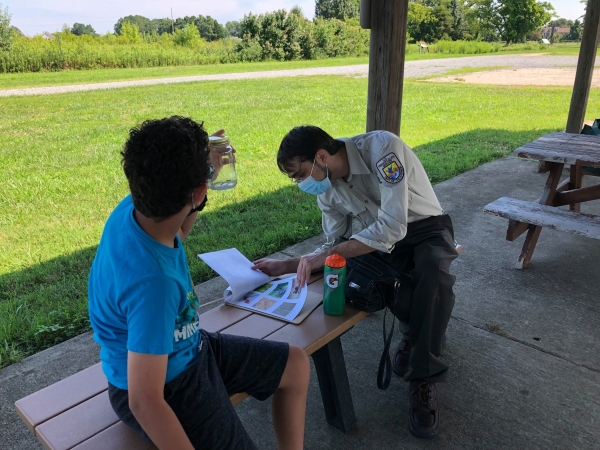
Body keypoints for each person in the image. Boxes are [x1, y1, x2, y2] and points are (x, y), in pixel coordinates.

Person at [88, 116, 310, 450]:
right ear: (200, 192)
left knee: (295, 364)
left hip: (188, 346)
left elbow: (179, 229)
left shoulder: (138, 206)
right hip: (167, 384)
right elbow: (144, 401)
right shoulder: (154, 284)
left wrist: (204, 178)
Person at [253, 126, 458, 439]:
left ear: (321, 156)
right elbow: (335, 242)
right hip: (372, 241)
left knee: (432, 277)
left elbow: (392, 226)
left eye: (300, 174)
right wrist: (289, 265)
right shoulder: (326, 187)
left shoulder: (381, 149)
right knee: (357, 285)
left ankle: (422, 378)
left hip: (425, 229)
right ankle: (416, 336)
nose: (300, 183)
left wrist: (330, 254)